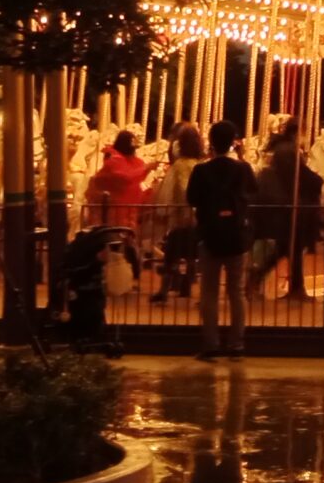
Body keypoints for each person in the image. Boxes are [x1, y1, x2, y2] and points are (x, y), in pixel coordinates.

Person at [188, 122, 258, 358]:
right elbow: (253, 192)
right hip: (236, 235)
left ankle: (211, 344)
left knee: (209, 292)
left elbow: (192, 198)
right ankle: (236, 344)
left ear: (211, 141)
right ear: (233, 142)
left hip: (210, 234)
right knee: (236, 291)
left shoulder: (201, 170)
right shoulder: (243, 168)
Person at [255, 123, 324, 300]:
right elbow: (298, 174)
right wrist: (317, 181)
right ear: (297, 132)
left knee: (288, 248)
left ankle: (293, 286)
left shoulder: (284, 149)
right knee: (290, 247)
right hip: (288, 204)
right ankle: (260, 277)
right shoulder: (288, 150)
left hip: (286, 203)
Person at [152, 124, 205, 302]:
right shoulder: (200, 165)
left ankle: (164, 289)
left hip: (181, 214)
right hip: (196, 216)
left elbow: (173, 189)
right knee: (191, 253)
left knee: (172, 253)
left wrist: (166, 209)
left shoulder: (179, 166)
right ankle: (187, 286)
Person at [84, 129, 154, 230]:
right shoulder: (114, 161)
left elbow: (133, 180)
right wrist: (146, 169)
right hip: (114, 211)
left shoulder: (128, 161)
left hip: (126, 210)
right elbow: (125, 178)